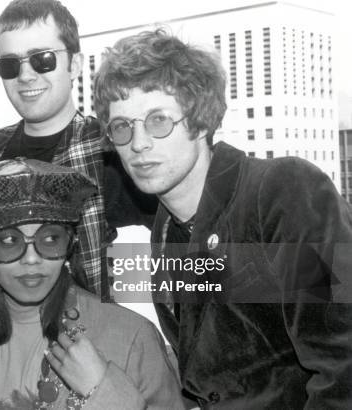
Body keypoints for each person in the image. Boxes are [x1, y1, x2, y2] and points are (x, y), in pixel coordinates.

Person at [93, 28, 352, 408]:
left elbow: (342, 363)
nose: (139, 143)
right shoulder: (166, 230)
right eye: (122, 126)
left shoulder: (281, 194)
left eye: (158, 120)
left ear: (199, 122)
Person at [0, 158, 184, 410]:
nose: (31, 259)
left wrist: (104, 391)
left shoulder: (132, 337)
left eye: (49, 239)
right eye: (9, 241)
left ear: (69, 244)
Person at [0, 0, 118, 300]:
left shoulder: (112, 152)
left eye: (42, 59)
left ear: (74, 64)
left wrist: (123, 326)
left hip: (86, 338)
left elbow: (190, 259)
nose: (25, 76)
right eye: (10, 65)